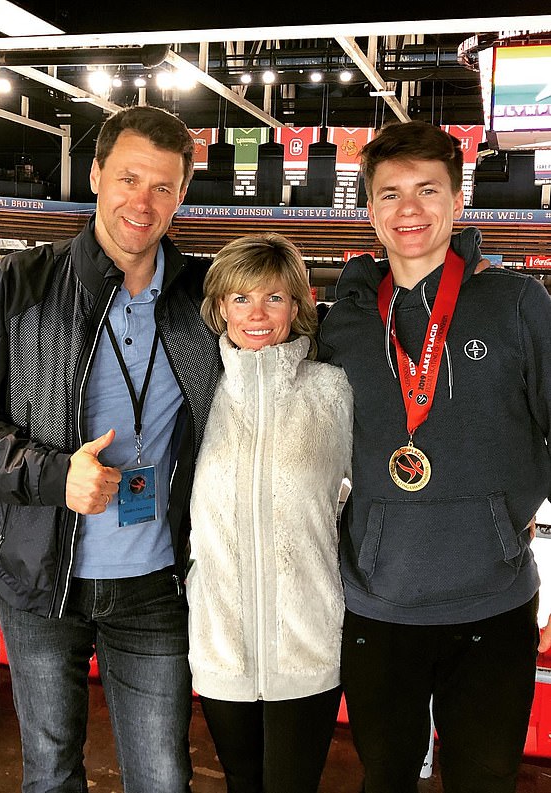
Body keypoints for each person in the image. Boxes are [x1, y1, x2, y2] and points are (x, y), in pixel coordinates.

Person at [0, 105, 221, 793]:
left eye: (162, 186)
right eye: (127, 177)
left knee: (162, 777)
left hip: (155, 582)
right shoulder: (19, 284)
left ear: (182, 193)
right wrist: (51, 476)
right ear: (95, 174)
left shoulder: (203, 299)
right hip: (39, 579)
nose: (141, 202)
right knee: (51, 774)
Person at [319, 120, 551, 793]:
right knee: (384, 776)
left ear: (458, 202)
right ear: (371, 210)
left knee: (484, 779)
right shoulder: (348, 319)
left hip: (492, 605)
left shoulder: (516, 304)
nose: (410, 209)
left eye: (428, 190)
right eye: (391, 193)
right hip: (377, 605)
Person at [187, 233, 353, 793]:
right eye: (241, 298)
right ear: (219, 309)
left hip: (307, 643)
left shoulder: (333, 390)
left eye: (274, 298)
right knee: (241, 782)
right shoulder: (197, 392)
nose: (257, 314)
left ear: (297, 307)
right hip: (221, 647)